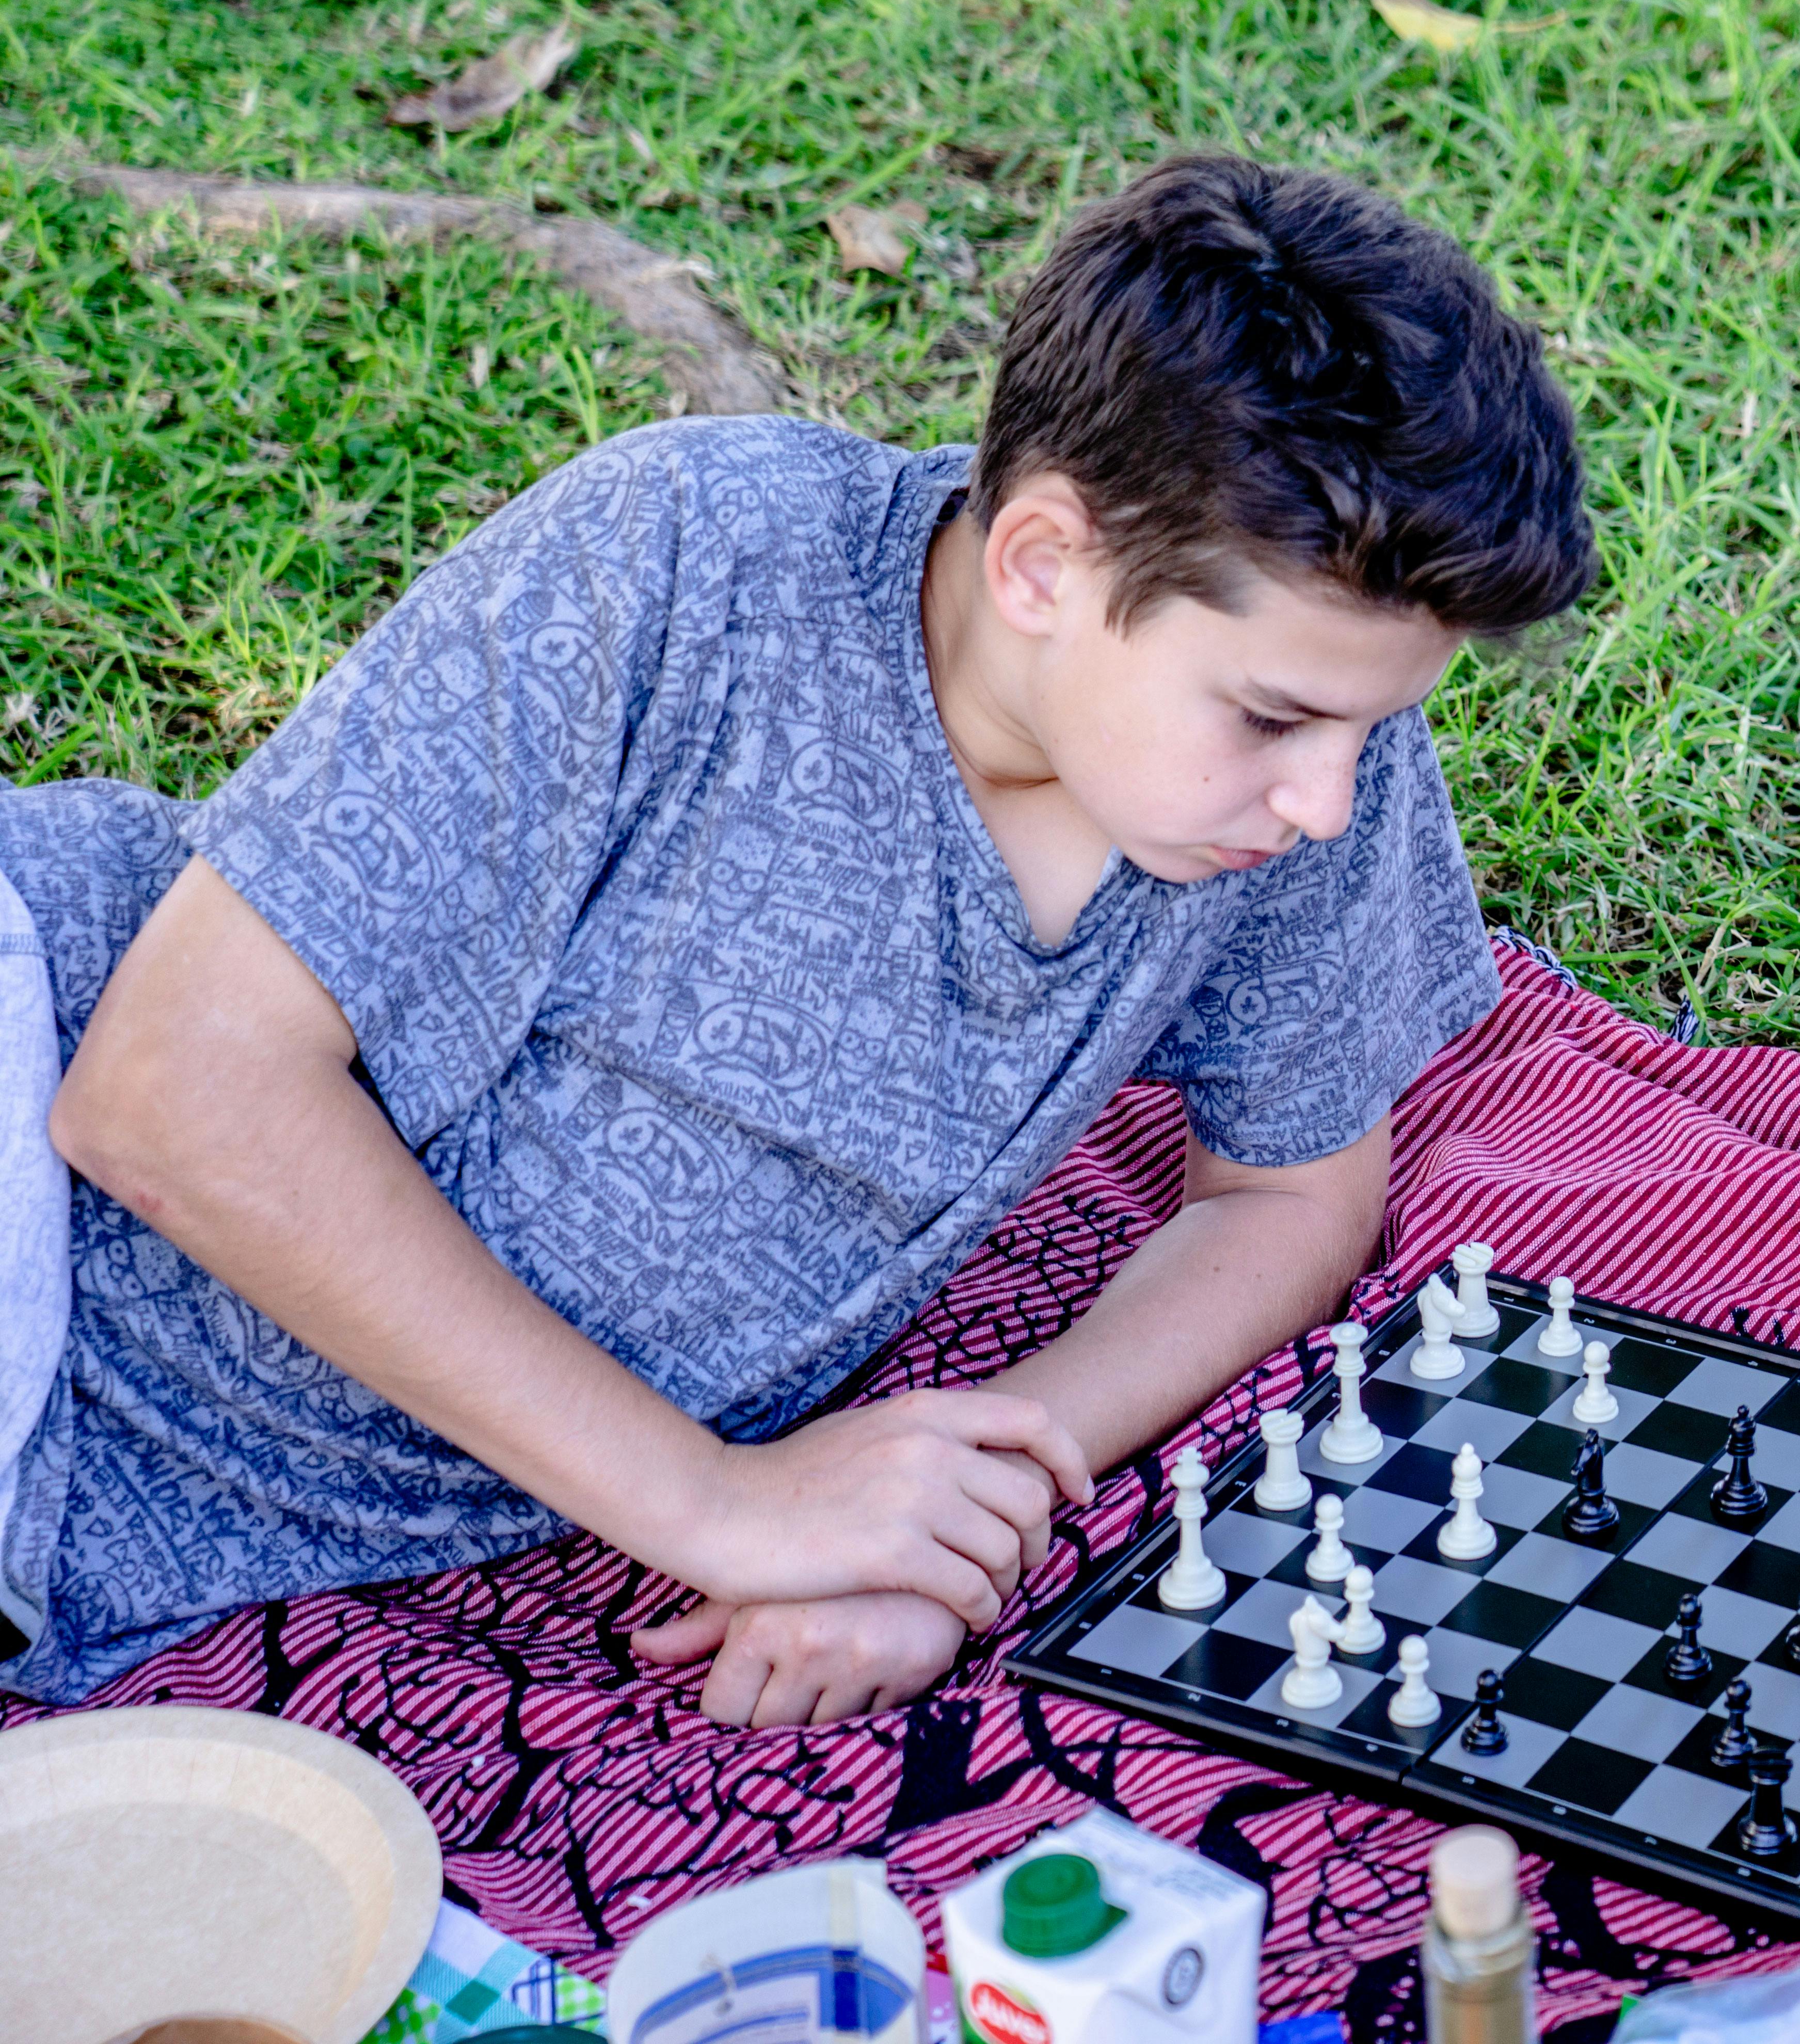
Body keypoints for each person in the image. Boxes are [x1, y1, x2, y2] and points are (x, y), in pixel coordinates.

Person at [0, 158, 1594, 1722]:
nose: (1329, 796)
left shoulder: (1305, 779)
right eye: (1273, 717)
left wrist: (950, 1505)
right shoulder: (683, 560)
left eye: (1370, 730)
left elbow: (1291, 1189)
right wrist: (720, 1506)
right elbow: (162, 1092)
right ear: (1044, 563)